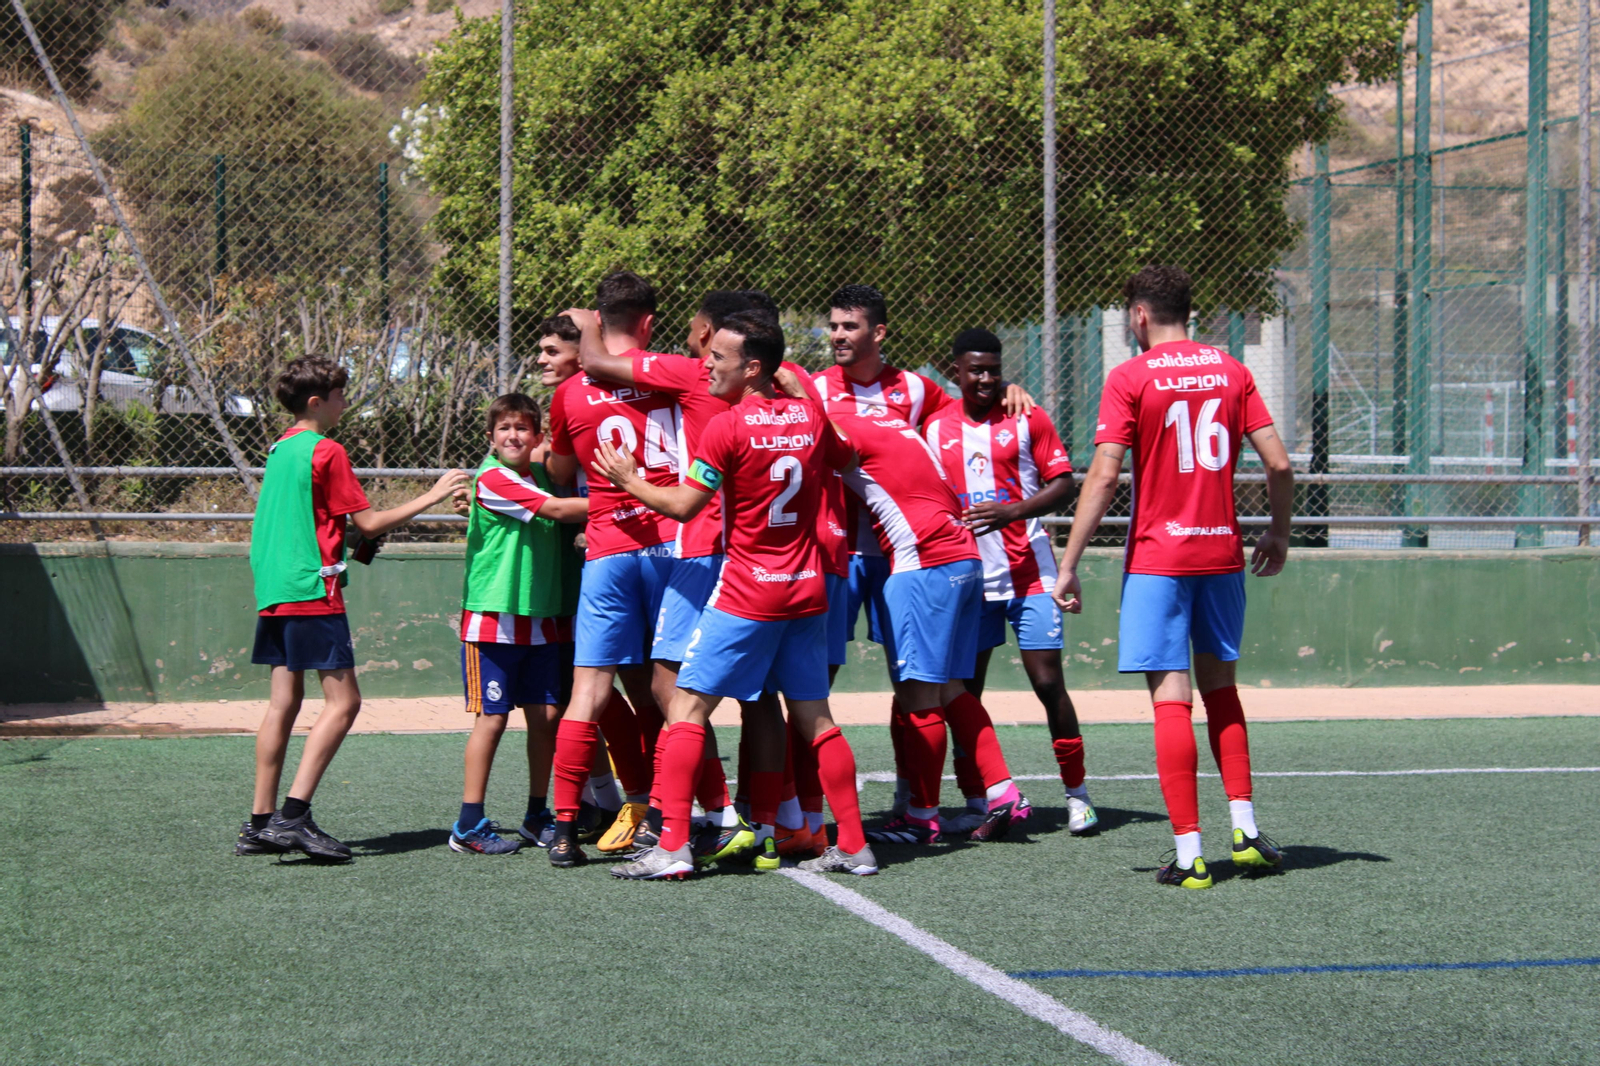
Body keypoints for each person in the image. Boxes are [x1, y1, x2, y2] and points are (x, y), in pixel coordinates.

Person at [592, 311, 879, 879]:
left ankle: (671, 848)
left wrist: (628, 481)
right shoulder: (808, 417)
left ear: (751, 368)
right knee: (817, 720)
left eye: (719, 358)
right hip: (807, 592)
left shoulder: (727, 426)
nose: (707, 366)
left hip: (748, 592)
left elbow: (681, 506)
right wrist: (805, 398)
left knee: (685, 711)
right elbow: (848, 461)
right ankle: (855, 846)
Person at [1053, 264, 1294, 889]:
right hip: (1221, 556)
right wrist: (1278, 531)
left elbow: (1104, 478)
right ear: (1188, 310)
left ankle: (1189, 854)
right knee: (1222, 690)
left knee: (1170, 700)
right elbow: (1280, 462)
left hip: (1161, 559)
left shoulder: (1130, 377)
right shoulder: (1233, 371)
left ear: (1138, 315)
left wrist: (1070, 561)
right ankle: (1244, 827)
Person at [237, 356, 466, 860]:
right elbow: (370, 520)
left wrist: (344, 544)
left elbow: (317, 522)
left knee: (283, 704)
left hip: (275, 589)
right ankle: (292, 816)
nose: (346, 403)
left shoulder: (280, 448)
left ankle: (258, 823)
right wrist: (433, 494)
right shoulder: (326, 450)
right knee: (345, 703)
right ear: (317, 402)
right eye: (340, 395)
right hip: (311, 593)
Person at [790, 384, 1031, 846]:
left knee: (919, 697)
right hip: (966, 557)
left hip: (922, 563)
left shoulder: (842, 430)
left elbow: (825, 447)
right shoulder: (901, 427)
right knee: (951, 689)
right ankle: (1003, 790)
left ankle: (922, 816)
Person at [570, 289, 763, 857]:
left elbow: (598, 364)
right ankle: (769, 819)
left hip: (700, 544)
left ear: (713, 336)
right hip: (762, 554)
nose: (693, 343)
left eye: (696, 330)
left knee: (672, 690)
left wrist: (587, 326)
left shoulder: (686, 373)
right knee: (770, 700)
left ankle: (699, 820)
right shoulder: (787, 392)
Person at [925, 329, 1098, 834]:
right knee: (966, 694)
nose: (985, 378)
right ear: (956, 371)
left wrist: (1014, 513)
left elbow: (1064, 484)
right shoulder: (935, 428)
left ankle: (1078, 795)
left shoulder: (1028, 418)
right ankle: (978, 801)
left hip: (1029, 574)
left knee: (1048, 684)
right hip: (970, 579)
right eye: (975, 369)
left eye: (993, 369)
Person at [541, 273, 688, 867]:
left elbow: (557, 470)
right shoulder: (671, 373)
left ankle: (564, 830)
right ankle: (670, 816)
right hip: (671, 545)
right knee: (671, 694)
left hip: (606, 548)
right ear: (649, 322)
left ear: (597, 324)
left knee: (588, 695)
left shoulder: (571, 393)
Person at [449, 394, 589, 854]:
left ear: (538, 437)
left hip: (544, 617)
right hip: (494, 620)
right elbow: (554, 510)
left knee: (546, 718)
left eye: (523, 428)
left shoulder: (544, 472)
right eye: (504, 428)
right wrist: (625, 500)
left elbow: (563, 471)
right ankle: (468, 824)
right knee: (491, 720)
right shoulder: (491, 477)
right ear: (490, 437)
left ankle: (535, 815)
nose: (513, 436)